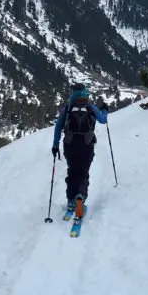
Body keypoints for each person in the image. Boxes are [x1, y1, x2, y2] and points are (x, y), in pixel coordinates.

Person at [52, 83, 108, 218]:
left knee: (72, 172)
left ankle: (71, 200)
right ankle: (80, 198)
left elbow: (58, 127)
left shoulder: (68, 108)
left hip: (70, 145)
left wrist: (55, 145)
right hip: (86, 146)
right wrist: (105, 110)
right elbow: (103, 120)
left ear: (73, 92)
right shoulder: (90, 107)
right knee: (83, 173)